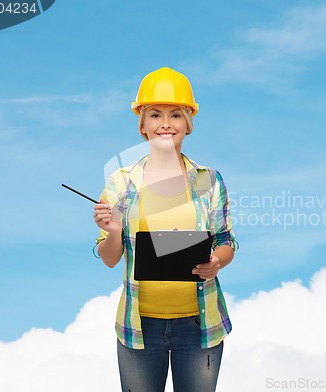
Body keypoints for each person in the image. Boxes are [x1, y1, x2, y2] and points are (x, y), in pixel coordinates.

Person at [93, 67, 238, 392]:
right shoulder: (121, 182)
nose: (165, 123)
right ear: (142, 123)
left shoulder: (209, 181)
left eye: (176, 114)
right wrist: (114, 231)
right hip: (140, 326)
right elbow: (109, 258)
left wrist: (216, 262)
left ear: (189, 122)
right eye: (155, 114)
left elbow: (226, 241)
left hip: (199, 326)